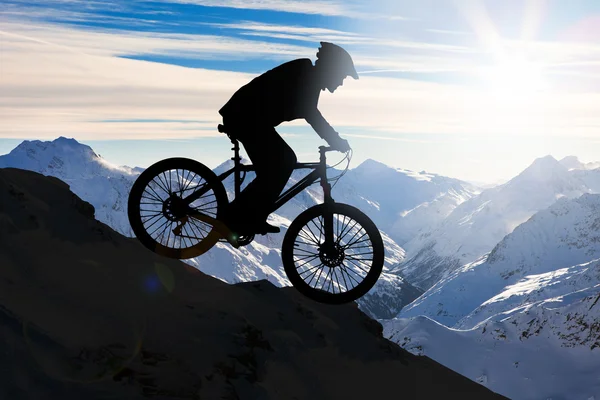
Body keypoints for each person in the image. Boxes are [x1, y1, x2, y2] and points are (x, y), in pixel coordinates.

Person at [218, 41, 358, 235]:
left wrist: (334, 140)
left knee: (279, 164)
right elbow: (312, 114)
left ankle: (250, 216)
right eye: (342, 76)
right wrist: (336, 141)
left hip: (248, 118)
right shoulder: (306, 74)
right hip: (244, 117)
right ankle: (234, 217)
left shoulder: (310, 77)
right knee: (282, 163)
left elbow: (311, 113)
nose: (341, 82)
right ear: (331, 69)